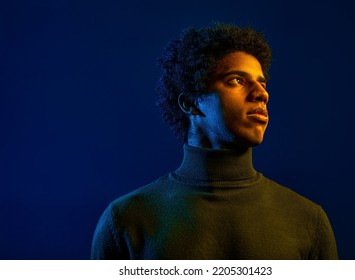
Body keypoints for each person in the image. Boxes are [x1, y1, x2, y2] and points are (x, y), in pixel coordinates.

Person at [91, 23, 338, 259]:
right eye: (237, 81)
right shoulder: (126, 220)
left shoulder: (308, 221)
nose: (262, 93)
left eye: (262, 83)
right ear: (191, 103)